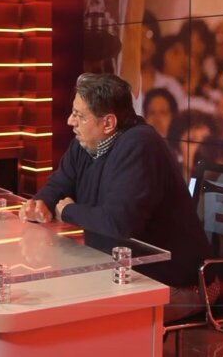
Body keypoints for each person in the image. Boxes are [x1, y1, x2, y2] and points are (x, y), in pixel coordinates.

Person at [22, 73, 210, 322]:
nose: (70, 121)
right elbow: (59, 183)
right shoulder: (87, 142)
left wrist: (67, 211)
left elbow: (118, 225)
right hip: (125, 272)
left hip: (175, 285)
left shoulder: (140, 145)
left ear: (108, 123)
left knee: (78, 318)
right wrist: (41, 203)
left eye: (79, 115)